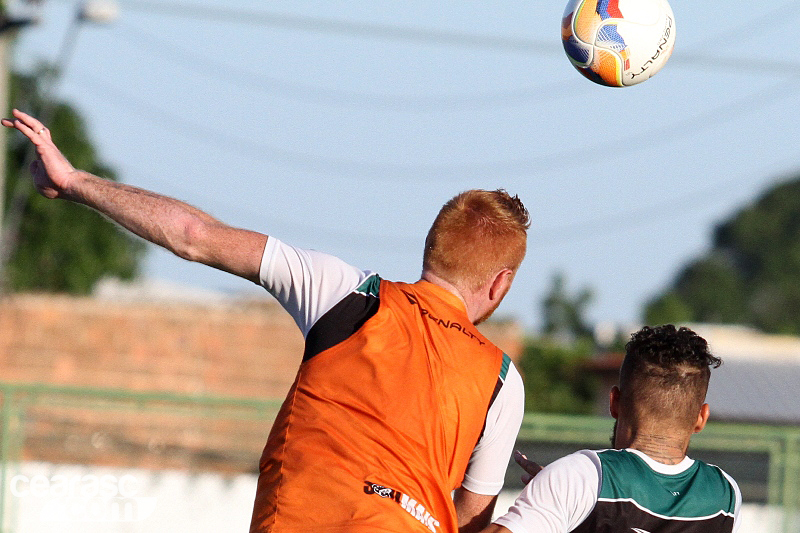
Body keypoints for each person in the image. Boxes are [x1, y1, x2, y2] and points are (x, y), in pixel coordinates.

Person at [3, 109, 530, 533]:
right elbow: (472, 518)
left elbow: (194, 234)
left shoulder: (347, 292)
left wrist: (74, 181)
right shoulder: (502, 382)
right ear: (501, 282)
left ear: (431, 248)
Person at [483, 324, 742, 533]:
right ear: (701, 418)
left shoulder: (582, 477)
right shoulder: (725, 495)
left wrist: (562, 494)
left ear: (614, 402)